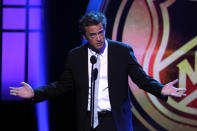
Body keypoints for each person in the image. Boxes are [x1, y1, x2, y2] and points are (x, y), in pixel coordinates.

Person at [10, 11, 186, 131]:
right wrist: (35, 93)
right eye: (93, 35)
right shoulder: (76, 56)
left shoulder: (122, 51)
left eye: (101, 32)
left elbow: (141, 78)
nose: (99, 38)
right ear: (85, 36)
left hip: (116, 121)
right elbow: (62, 86)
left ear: (104, 29)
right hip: (88, 122)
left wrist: (161, 89)